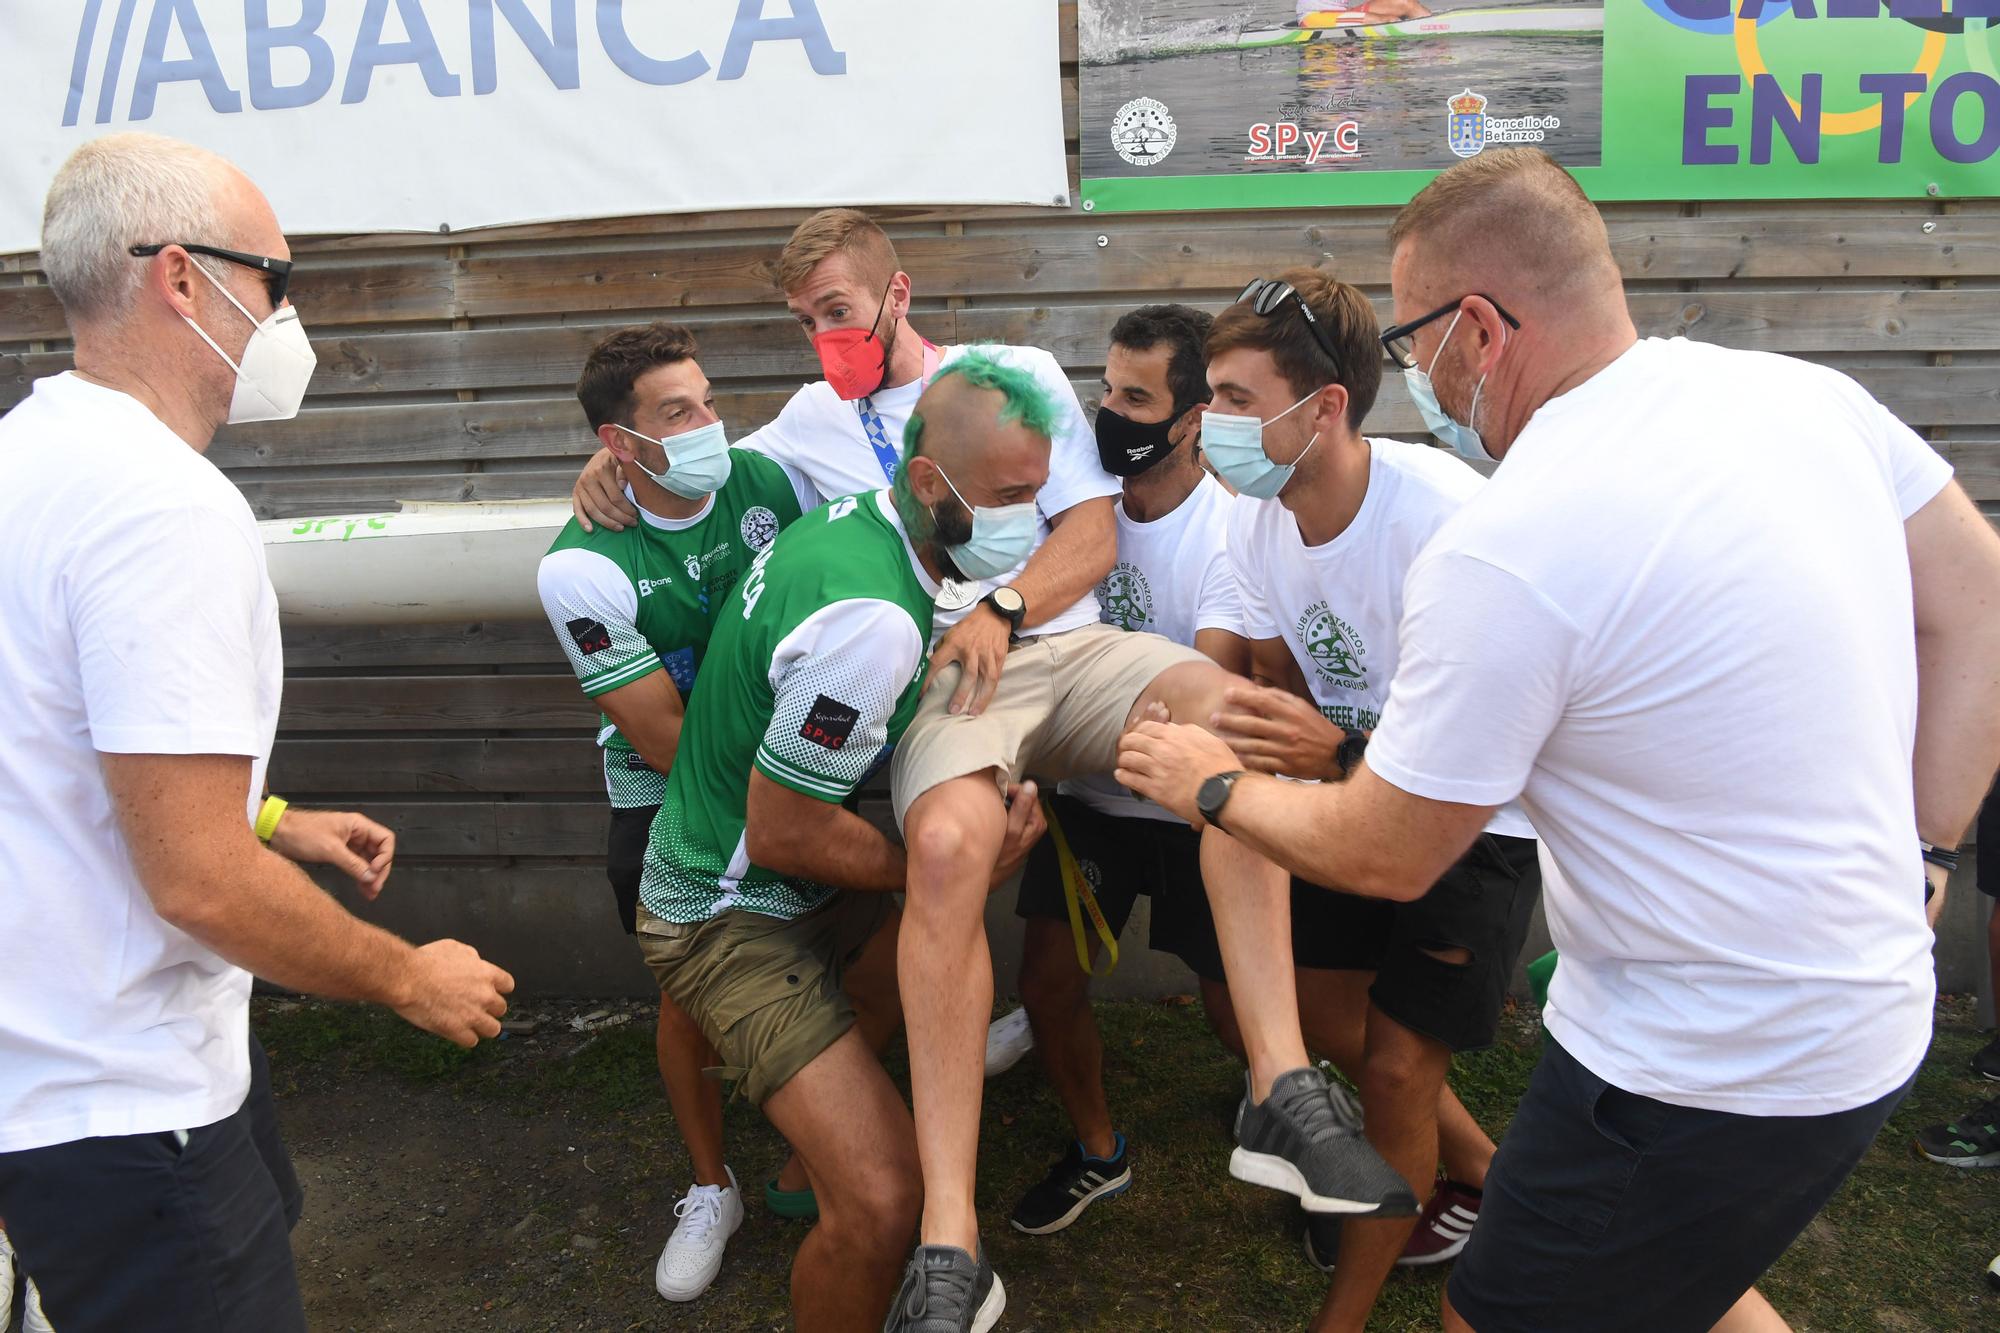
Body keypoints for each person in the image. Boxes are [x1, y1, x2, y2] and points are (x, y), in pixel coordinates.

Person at [1115, 146, 2000, 1333]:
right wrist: (1929, 852)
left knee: (1487, 1315)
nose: (1411, 373)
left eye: (1413, 339)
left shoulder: (1503, 541)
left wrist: (1208, 781)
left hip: (1697, 1058)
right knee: (1678, 1273)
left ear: (1477, 327)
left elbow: (1387, 852)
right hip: (1851, 1011)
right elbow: (1980, 606)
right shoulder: (1805, 395)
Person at [0, 133, 514, 1332]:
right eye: (275, 280)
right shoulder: (162, 507)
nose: (288, 317)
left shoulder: (25, 460)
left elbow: (53, 741)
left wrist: (273, 819)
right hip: (130, 1105)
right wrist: (406, 974)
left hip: (60, 1079)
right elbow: (196, 881)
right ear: (182, 278)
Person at [631, 353, 1051, 1333]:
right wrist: (943, 872)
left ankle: (802, 1145)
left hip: (733, 867)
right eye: (1006, 496)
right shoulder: (872, 623)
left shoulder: (856, 522)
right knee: (883, 1200)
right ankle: (827, 1165)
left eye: (1034, 491)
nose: (1023, 520)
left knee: (893, 973)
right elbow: (783, 830)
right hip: (727, 915)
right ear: (925, 481)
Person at [1190, 268, 1543, 1322]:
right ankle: (1483, 1170)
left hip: (1478, 818)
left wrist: (1332, 745)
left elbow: (1496, 735)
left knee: (1393, 1071)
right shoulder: (1254, 518)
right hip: (1351, 786)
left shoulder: (1445, 515)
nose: (1210, 424)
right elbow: (1278, 675)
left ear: (1325, 405)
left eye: (1237, 400)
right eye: (1210, 395)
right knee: (1312, 1009)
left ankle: (1344, 1309)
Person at [536, 322, 819, 1302]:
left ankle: (817, 1139)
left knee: (838, 947)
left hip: (799, 767)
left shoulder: (770, 478)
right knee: (687, 995)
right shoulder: (583, 566)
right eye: (675, 413)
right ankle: (710, 1185)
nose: (708, 425)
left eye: (706, 400)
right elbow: (665, 742)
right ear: (621, 445)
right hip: (668, 793)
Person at [1007, 303, 1253, 1236]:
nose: (1107, 411)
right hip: (1089, 803)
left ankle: (1289, 1111)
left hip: (1194, 811)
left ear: (1190, 419)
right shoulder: (1067, 510)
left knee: (1241, 1017)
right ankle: (1098, 1152)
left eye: (1135, 396)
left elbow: (1213, 690)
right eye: (1104, 387)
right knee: (1046, 981)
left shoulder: (1232, 533)